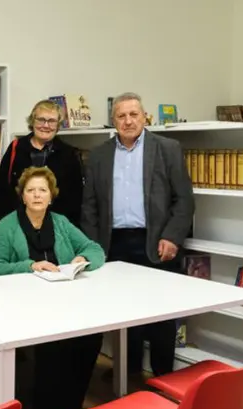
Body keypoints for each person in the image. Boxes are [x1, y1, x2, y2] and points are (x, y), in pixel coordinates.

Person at [81, 92, 194, 379]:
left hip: (156, 242)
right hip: (114, 245)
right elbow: (89, 206)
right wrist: (94, 247)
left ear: (145, 117)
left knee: (161, 314)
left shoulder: (168, 149)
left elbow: (184, 200)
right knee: (123, 313)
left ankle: (163, 377)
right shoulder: (99, 155)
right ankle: (127, 374)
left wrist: (172, 237)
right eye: (121, 116)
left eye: (134, 114)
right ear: (113, 121)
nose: (128, 121)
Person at [0, 166, 106, 409]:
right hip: (23, 303)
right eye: (31, 190)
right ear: (23, 196)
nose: (37, 195)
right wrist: (30, 266)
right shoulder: (8, 225)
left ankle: (72, 405)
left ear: (51, 195)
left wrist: (83, 258)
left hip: (63, 300)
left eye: (43, 190)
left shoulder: (61, 222)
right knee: (54, 345)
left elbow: (94, 248)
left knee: (90, 337)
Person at [0, 99, 85, 229]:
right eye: (41, 120)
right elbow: (0, 190)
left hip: (56, 228)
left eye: (51, 121)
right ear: (32, 121)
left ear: (58, 125)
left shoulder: (69, 154)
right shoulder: (16, 148)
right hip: (17, 227)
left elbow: (76, 198)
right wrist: (0, 226)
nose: (46, 125)